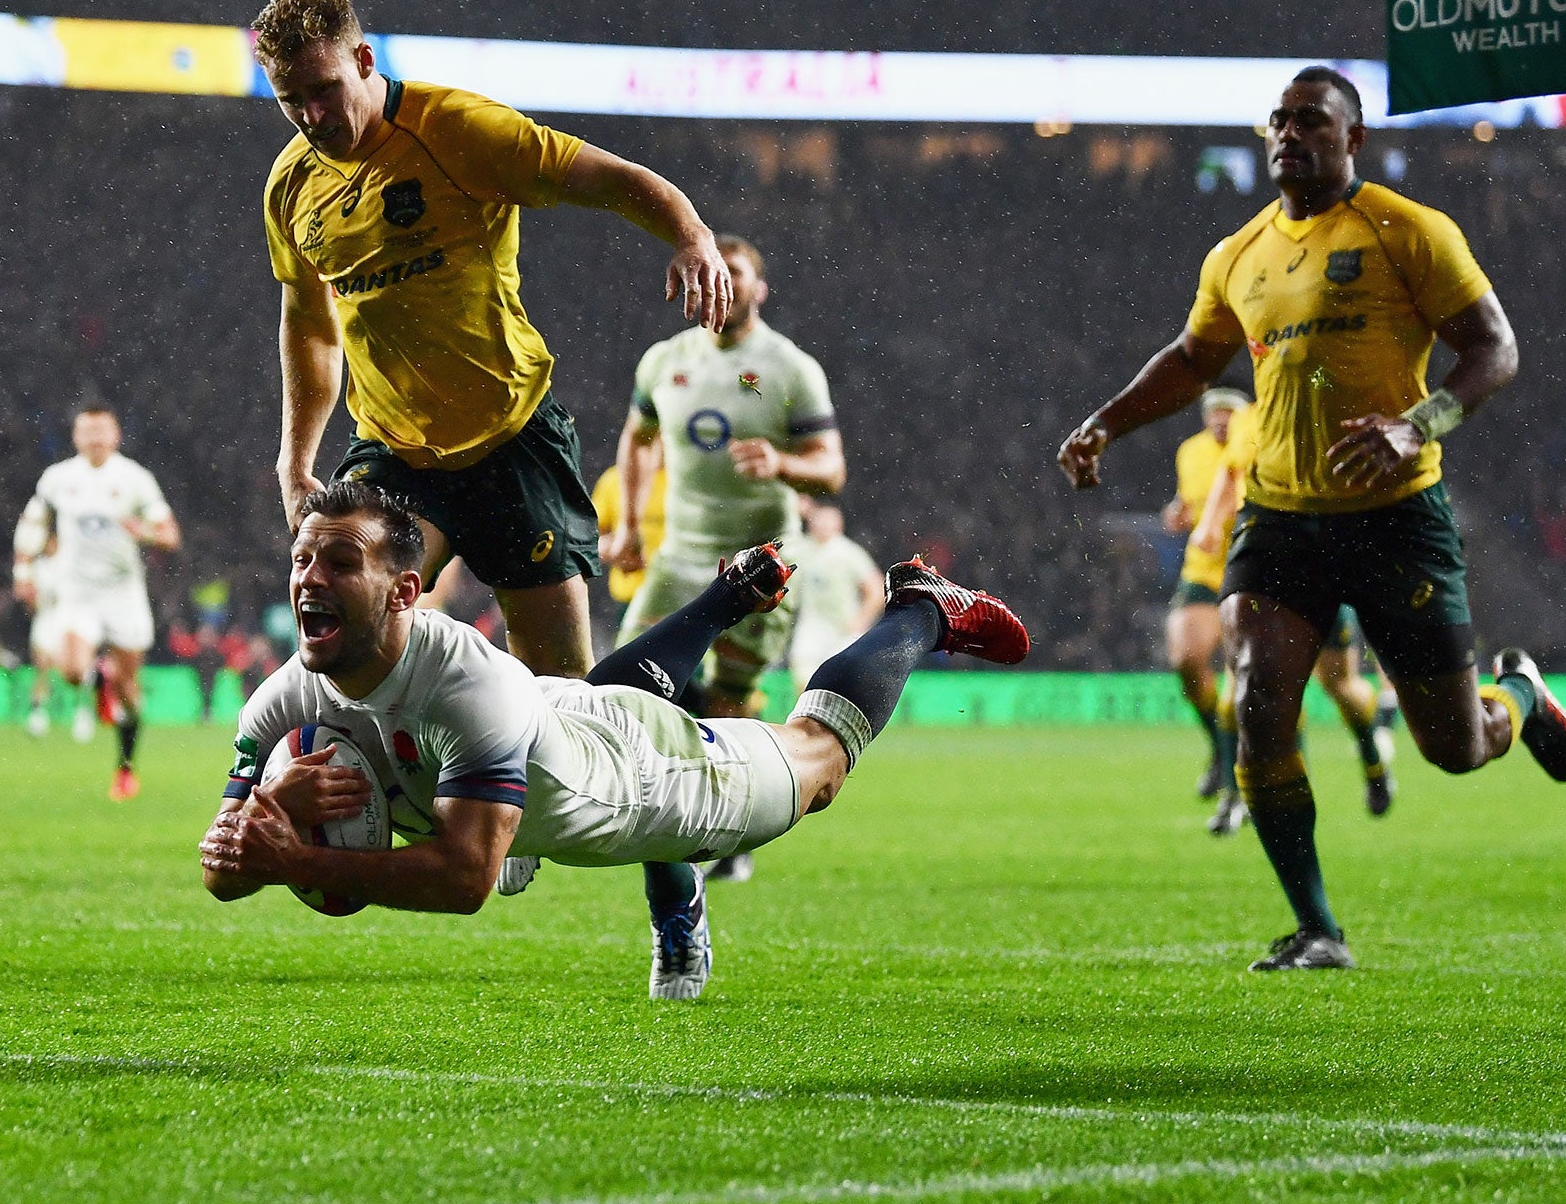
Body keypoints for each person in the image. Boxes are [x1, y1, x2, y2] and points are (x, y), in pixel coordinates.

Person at [1058, 66, 1566, 972]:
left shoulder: (1408, 231)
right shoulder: (1238, 253)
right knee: (1260, 703)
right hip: (1280, 519)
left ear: (1354, 140)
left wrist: (1418, 426)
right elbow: (1192, 358)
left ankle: (1520, 696)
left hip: (1395, 517)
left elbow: (1495, 349)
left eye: (1311, 122)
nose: (1289, 135)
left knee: (1454, 747)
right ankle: (1317, 927)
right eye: (1279, 121)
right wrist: (1107, 420)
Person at [196, 481, 1030, 999]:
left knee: (818, 761)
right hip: (550, 719)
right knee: (589, 701)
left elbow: (462, 880)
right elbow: (222, 869)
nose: (310, 579)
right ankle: (720, 604)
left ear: (404, 591)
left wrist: (298, 861)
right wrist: (268, 806)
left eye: (339, 562)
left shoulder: (460, 683)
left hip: (634, 780)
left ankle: (922, 606)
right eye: (303, 560)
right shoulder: (281, 700)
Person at [257, 0, 732, 686]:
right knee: (346, 648)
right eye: (290, 98)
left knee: (562, 688)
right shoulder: (291, 188)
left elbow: (605, 177)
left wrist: (691, 235)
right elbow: (309, 326)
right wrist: (295, 458)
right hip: (393, 453)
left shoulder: (456, 130)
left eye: (323, 88)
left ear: (362, 58)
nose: (311, 114)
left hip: (510, 443)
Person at [604, 238, 843, 891]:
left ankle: (732, 831)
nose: (724, 284)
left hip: (763, 562)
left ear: (758, 289)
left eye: (736, 274)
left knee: (729, 704)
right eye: (714, 273)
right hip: (680, 556)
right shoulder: (664, 361)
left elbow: (831, 468)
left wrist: (784, 464)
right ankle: (624, 809)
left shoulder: (790, 369)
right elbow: (638, 438)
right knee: (618, 692)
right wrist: (627, 524)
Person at [1189, 409, 1398, 833]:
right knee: (1245, 682)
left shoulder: (1327, 406)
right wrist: (1210, 525)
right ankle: (1236, 797)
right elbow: (1229, 478)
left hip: (1322, 569)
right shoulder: (1250, 420)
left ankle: (1372, 760)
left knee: (1339, 685)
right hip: (1261, 571)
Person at [14, 403, 180, 798]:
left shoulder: (135, 479)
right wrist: (24, 572)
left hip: (123, 593)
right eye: (87, 431)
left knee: (129, 690)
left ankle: (125, 767)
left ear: (116, 435)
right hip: (77, 592)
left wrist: (144, 532)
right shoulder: (58, 478)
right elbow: (33, 523)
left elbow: (170, 534)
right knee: (71, 671)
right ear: (75, 437)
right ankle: (96, 675)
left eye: (101, 431)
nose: (94, 438)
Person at [1161, 387, 1250, 809]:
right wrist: (1177, 514)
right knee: (1186, 659)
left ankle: (1240, 776)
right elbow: (1187, 502)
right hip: (1202, 569)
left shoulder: (1257, 448)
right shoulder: (1189, 452)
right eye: (1213, 412)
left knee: (1240, 682)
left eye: (1229, 412)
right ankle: (1220, 747)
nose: (1220, 419)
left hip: (1248, 568)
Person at [786, 498, 884, 688]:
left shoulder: (848, 552)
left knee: (837, 685)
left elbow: (876, 589)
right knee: (803, 679)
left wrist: (860, 622)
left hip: (843, 628)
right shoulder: (802, 548)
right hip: (812, 626)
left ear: (839, 522)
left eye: (828, 519)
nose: (823, 523)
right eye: (819, 518)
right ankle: (806, 717)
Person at [590, 456, 666, 626]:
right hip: (631, 598)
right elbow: (590, 540)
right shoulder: (614, 479)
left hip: (680, 596)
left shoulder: (687, 483)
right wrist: (616, 549)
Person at [14, 548, 72, 738]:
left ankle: (82, 710)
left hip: (65, 618)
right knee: (42, 666)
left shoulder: (69, 560)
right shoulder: (37, 565)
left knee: (72, 669)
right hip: (44, 619)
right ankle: (38, 714)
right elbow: (27, 597)